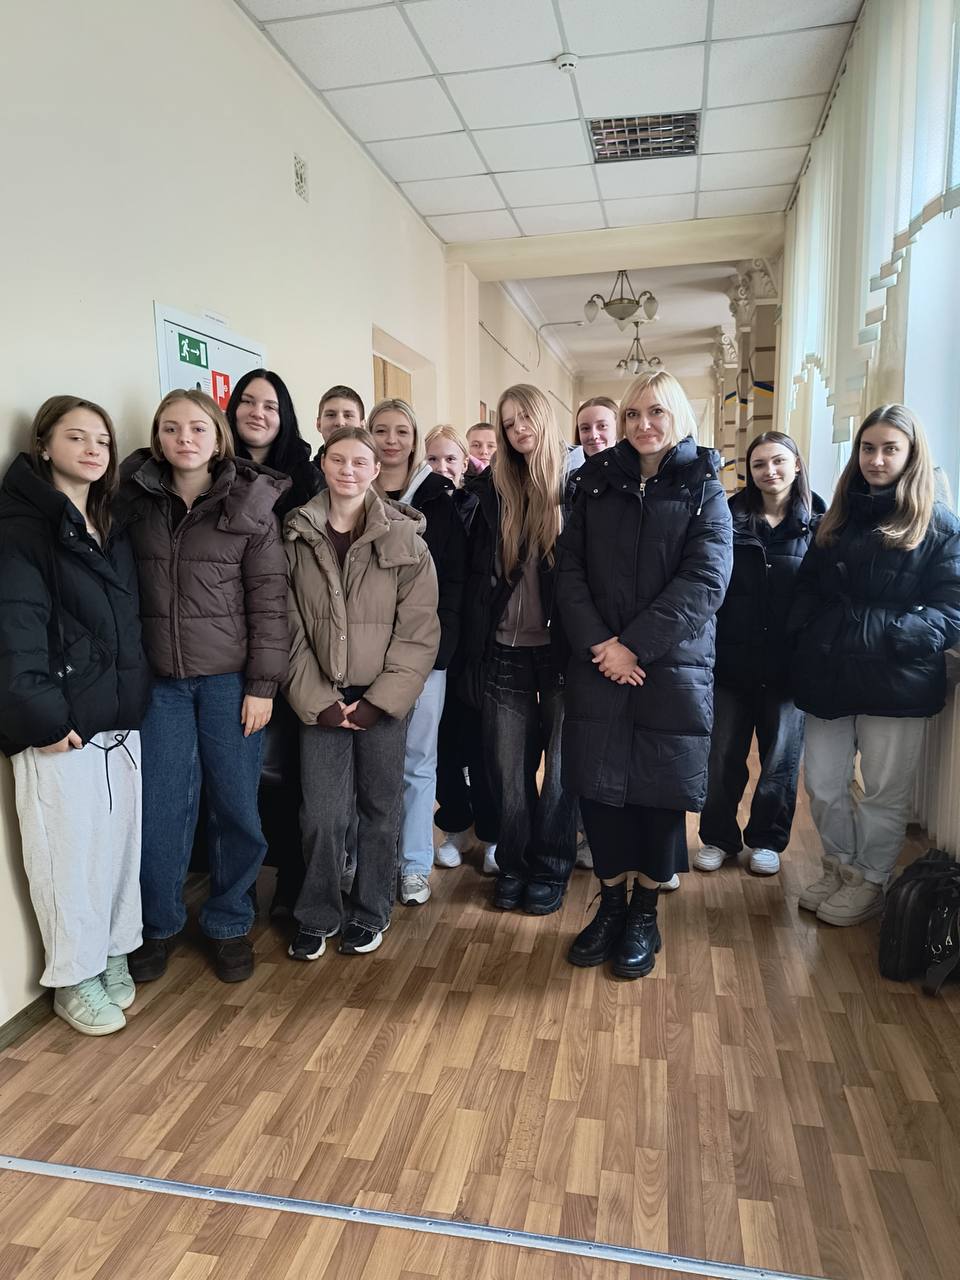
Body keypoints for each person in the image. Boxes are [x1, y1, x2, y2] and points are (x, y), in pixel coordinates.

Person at [556, 371, 732, 977]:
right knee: (599, 789)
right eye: (632, 414)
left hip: (670, 667)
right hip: (599, 662)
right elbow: (569, 571)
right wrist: (603, 644)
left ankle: (644, 913)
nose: (643, 424)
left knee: (659, 794)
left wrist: (633, 647)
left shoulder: (704, 487)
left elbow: (705, 581)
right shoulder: (594, 482)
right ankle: (610, 906)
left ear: (677, 416)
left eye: (655, 412)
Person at [120, 389, 290, 984]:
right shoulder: (134, 500)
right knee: (163, 808)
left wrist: (263, 685)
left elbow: (269, 603)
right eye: (171, 428)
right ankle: (159, 923)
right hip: (160, 685)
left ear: (218, 437)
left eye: (197, 428)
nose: (184, 439)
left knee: (236, 806)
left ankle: (229, 920)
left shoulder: (251, 503)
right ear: (157, 438)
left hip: (230, 684)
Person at [0, 396, 151, 1034]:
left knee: (115, 850)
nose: (93, 450)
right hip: (58, 725)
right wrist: (41, 716)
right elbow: (15, 628)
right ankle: (72, 977)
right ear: (43, 445)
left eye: (102, 441)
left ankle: (111, 950)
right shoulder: (21, 525)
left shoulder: (108, 520)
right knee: (66, 856)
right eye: (76, 437)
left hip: (115, 716)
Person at [790, 404, 960, 925]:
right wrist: (809, 631)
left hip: (896, 674)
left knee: (884, 791)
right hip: (830, 669)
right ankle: (840, 866)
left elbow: (953, 604)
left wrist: (904, 634)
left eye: (890, 449)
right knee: (823, 784)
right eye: (868, 448)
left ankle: (870, 879)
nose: (877, 459)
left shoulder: (938, 522)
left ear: (911, 454)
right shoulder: (838, 517)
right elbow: (809, 587)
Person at [284, 426, 439, 957]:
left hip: (382, 701)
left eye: (358, 462)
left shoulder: (407, 541)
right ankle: (318, 913)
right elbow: (288, 629)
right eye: (337, 460)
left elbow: (418, 632)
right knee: (322, 816)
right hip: (320, 701)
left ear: (376, 471)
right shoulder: (296, 535)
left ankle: (372, 910)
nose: (347, 470)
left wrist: (378, 703)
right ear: (323, 464)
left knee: (379, 808)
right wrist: (319, 703)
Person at [460, 384, 578, 915]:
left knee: (560, 773)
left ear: (544, 419)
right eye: (507, 423)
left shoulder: (576, 488)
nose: (517, 429)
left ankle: (551, 866)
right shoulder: (492, 491)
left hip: (562, 652)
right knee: (507, 771)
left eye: (524, 418)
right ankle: (513, 863)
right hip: (503, 650)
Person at [695, 432, 821, 878]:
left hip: (788, 669)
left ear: (797, 464)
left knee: (780, 761)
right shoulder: (727, 518)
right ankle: (717, 838)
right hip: (732, 666)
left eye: (779, 461)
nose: (770, 471)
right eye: (760, 464)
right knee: (721, 758)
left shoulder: (820, 524)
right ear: (748, 471)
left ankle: (767, 840)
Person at [226, 369, 321, 917]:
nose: (257, 413)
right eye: (247, 402)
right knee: (238, 773)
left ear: (284, 415)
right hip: (226, 638)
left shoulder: (306, 478)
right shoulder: (214, 470)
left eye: (269, 405)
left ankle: (291, 879)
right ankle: (236, 883)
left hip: (292, 636)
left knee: (291, 770)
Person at [369, 400, 467, 905]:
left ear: (414, 439)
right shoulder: (353, 490)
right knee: (368, 764)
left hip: (424, 656)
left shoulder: (439, 499)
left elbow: (455, 583)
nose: (391, 441)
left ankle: (413, 865)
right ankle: (370, 861)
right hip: (364, 656)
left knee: (417, 762)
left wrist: (439, 650)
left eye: (401, 431)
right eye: (381, 430)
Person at [424, 427, 497, 874]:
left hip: (479, 644)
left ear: (465, 463)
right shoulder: (419, 508)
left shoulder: (482, 506)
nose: (442, 468)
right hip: (433, 644)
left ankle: (492, 833)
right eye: (433, 459)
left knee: (483, 748)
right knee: (443, 748)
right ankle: (454, 825)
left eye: (450, 459)